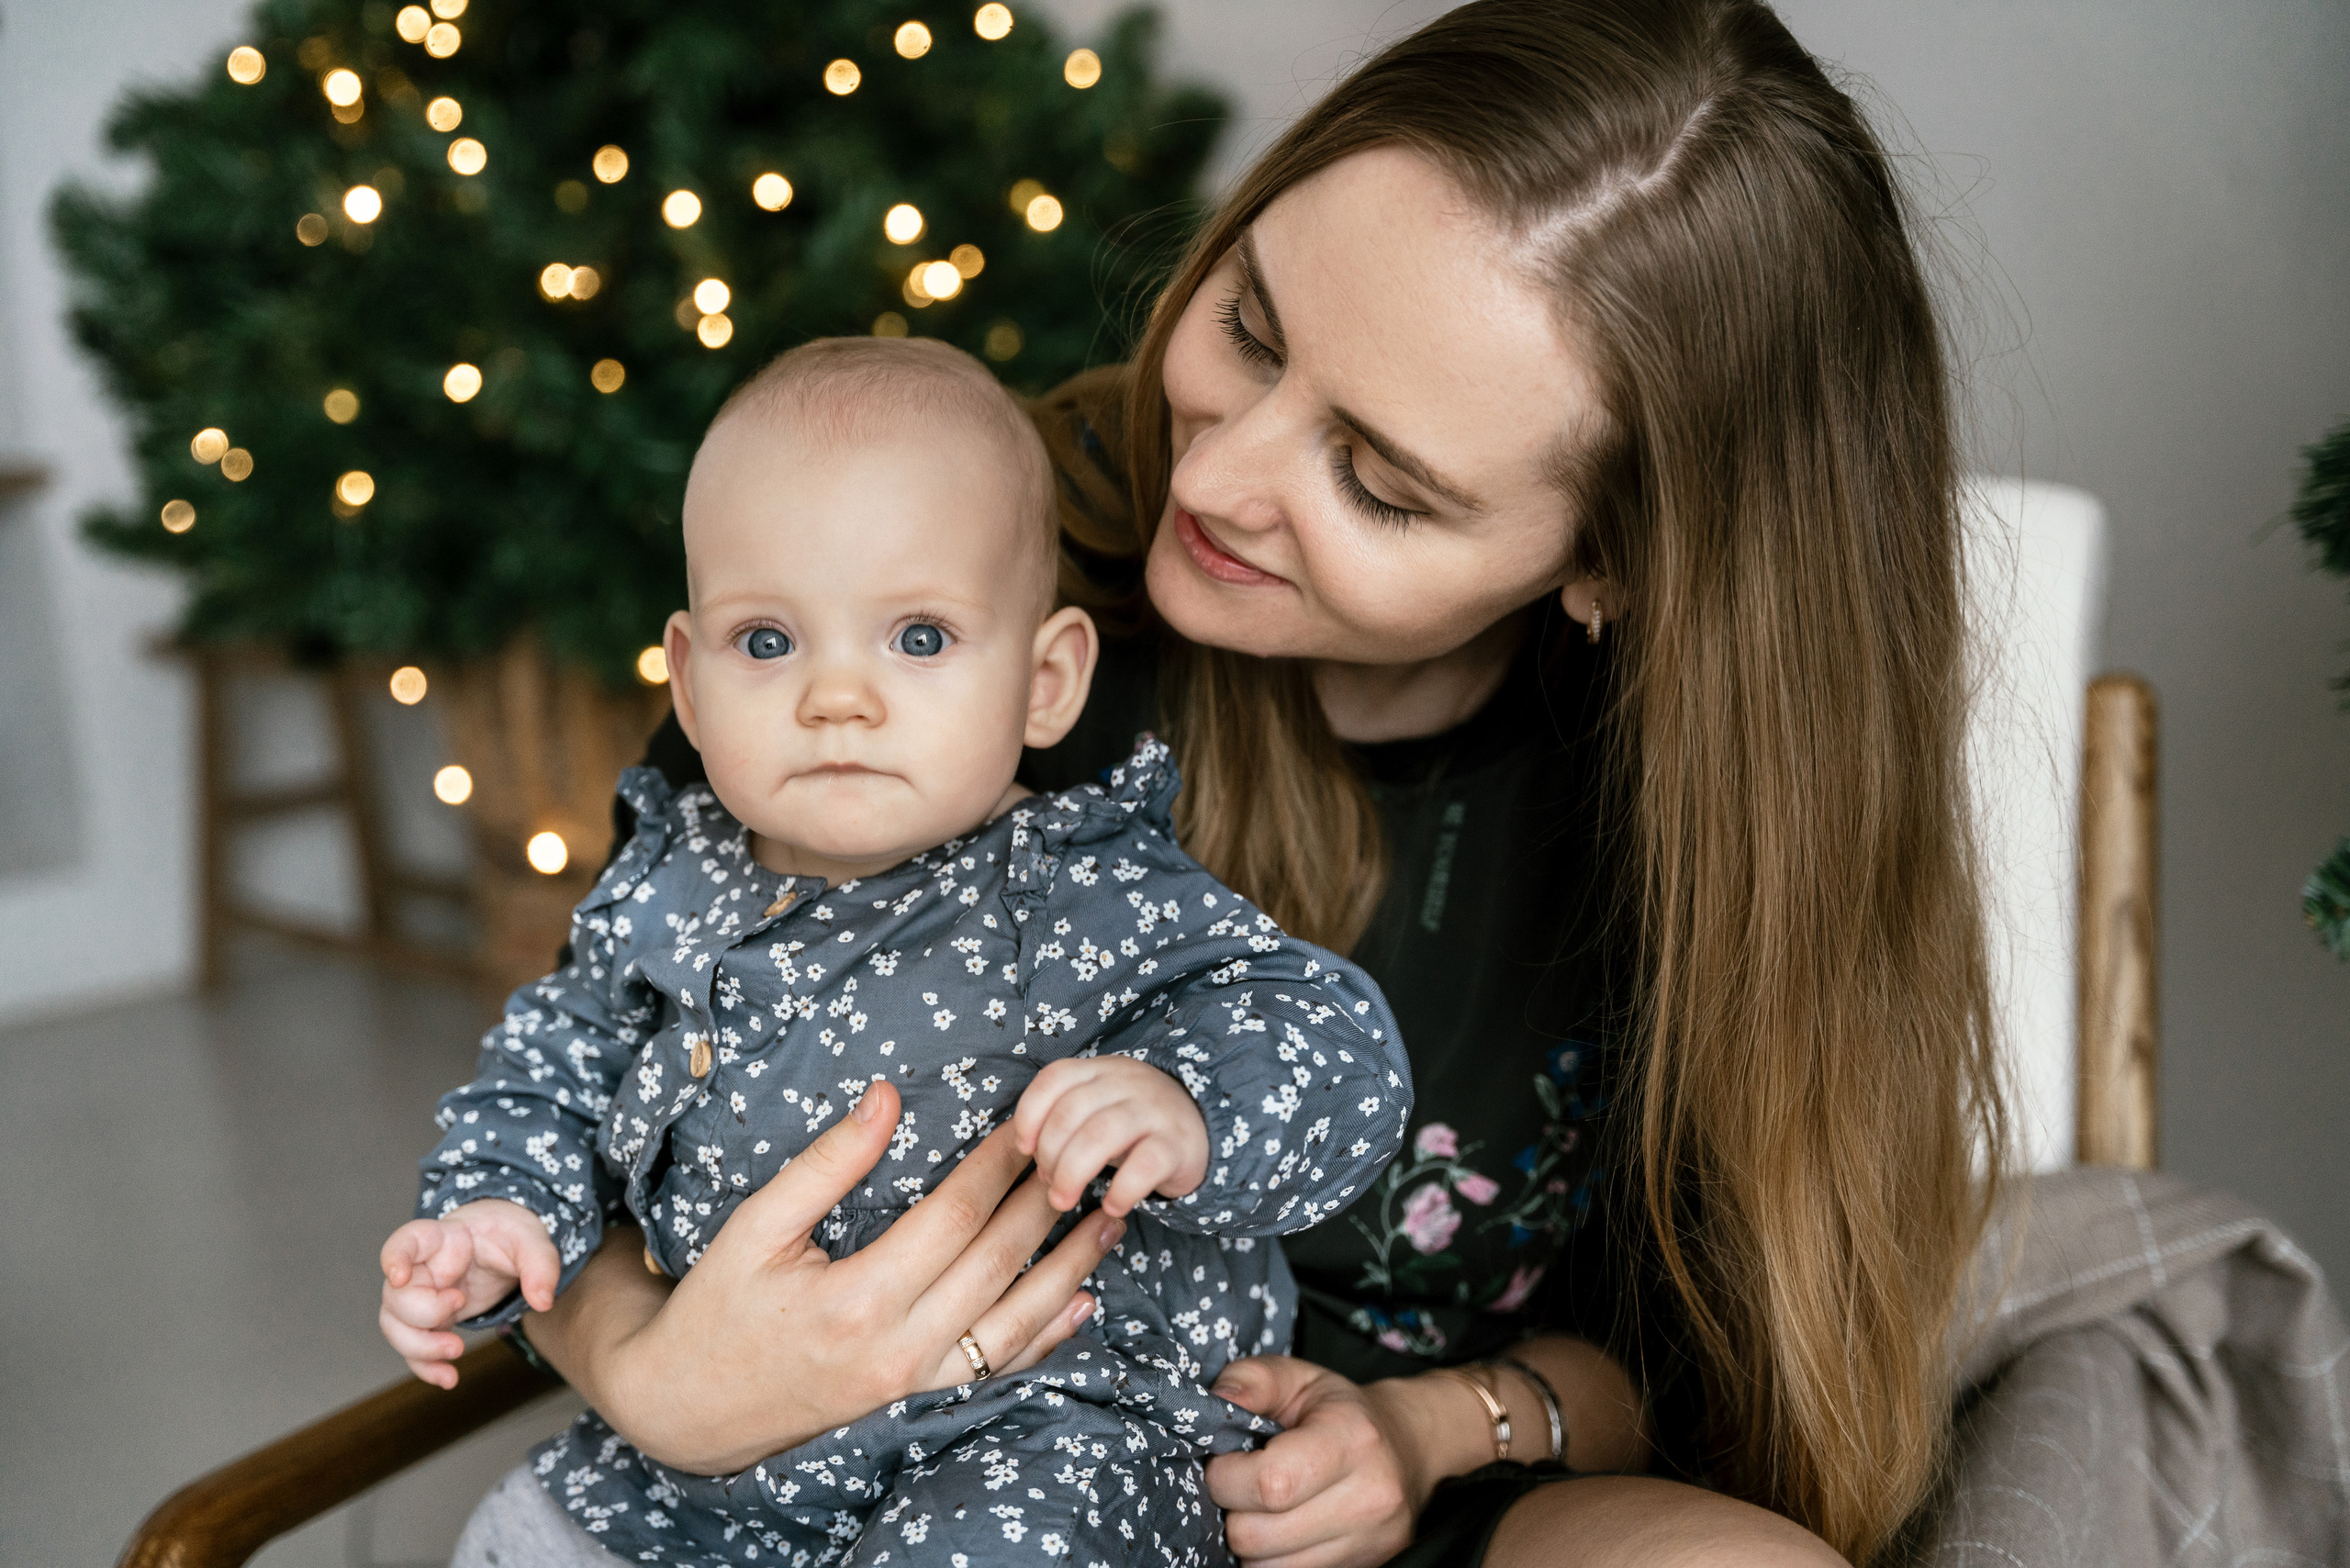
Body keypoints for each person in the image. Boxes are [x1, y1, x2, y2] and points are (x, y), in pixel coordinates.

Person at [445, 0, 2007, 1563]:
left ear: (1617, 561)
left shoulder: (1679, 811)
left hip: (1381, 1499)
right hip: (902, 1483)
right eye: (1252, 327)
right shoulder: (921, 577)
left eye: (1378, 483)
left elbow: (1711, 1369)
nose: (1211, 475)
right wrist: (653, 1376)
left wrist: (1428, 1431)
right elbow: (592, 1073)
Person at [386, 338, 1412, 1566]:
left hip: (1031, 1427)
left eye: (918, 638)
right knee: (525, 1530)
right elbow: (552, 1063)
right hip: (731, 1453)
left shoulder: (1074, 886)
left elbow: (1318, 1032)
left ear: (1044, 682)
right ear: (692, 687)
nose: (837, 696)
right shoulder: (665, 882)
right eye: (768, 641)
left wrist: (1185, 1103)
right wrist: (497, 1214)